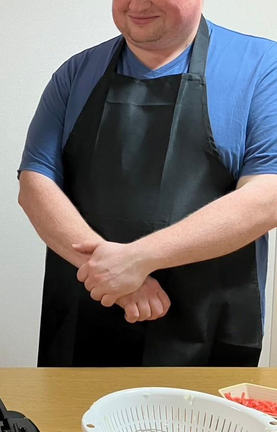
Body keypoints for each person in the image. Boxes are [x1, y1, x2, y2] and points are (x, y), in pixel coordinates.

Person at [18, 0, 277, 367]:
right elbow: (34, 184)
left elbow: (267, 197)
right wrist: (114, 276)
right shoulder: (77, 72)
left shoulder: (262, 66)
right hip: (88, 319)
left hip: (208, 332)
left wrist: (138, 260)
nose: (138, 3)